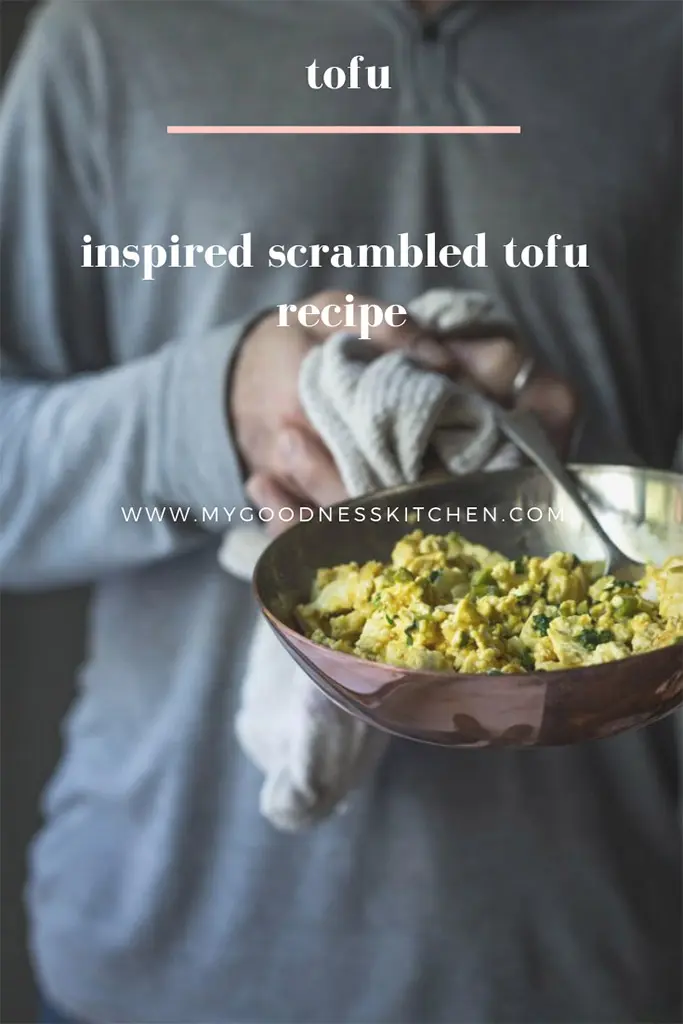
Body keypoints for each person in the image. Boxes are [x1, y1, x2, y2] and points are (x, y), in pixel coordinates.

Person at [1, 1, 681, 1022]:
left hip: (587, 954)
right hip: (167, 952)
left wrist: (530, 439)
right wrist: (212, 405)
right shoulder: (110, 37)